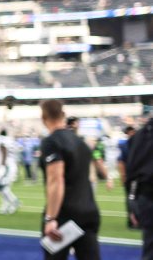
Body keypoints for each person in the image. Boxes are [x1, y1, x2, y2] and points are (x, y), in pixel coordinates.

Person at [39, 100, 101, 259]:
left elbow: (56, 179)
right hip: (88, 211)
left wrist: (51, 218)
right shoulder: (80, 142)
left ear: (43, 117)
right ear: (63, 115)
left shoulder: (52, 142)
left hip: (65, 215)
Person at [125, 114, 153, 259]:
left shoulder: (140, 136)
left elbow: (131, 173)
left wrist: (132, 204)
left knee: (149, 248)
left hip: (146, 198)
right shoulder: (140, 136)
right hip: (147, 196)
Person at [0, 129, 20, 215]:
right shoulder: (11, 140)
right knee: (4, 188)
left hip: (6, 166)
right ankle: (6, 206)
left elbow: (3, 148)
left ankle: (14, 201)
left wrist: (3, 165)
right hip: (11, 165)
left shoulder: (1, 139)